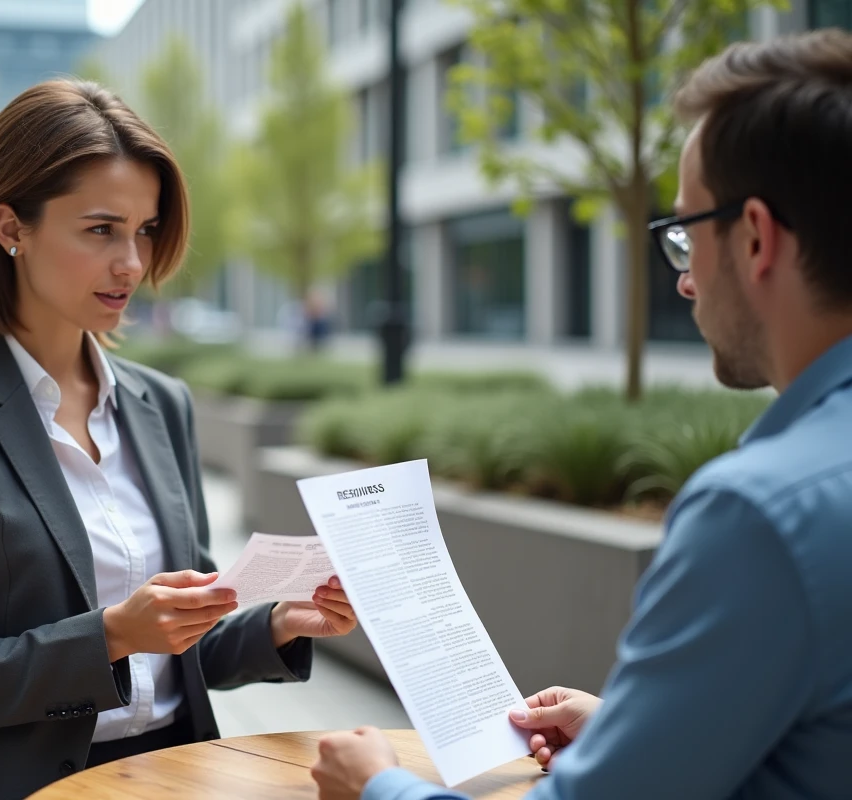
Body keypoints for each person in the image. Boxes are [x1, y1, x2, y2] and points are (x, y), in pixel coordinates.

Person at [311, 28, 852, 800]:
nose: (685, 279)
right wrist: (636, 731)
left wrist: (377, 786)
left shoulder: (757, 517)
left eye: (685, 234)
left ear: (757, 236)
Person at [0, 79, 359, 800]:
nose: (132, 261)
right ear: (11, 229)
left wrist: (280, 624)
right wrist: (111, 638)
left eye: (145, 230)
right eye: (101, 229)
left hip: (175, 775)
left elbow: (185, 642)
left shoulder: (162, 405)